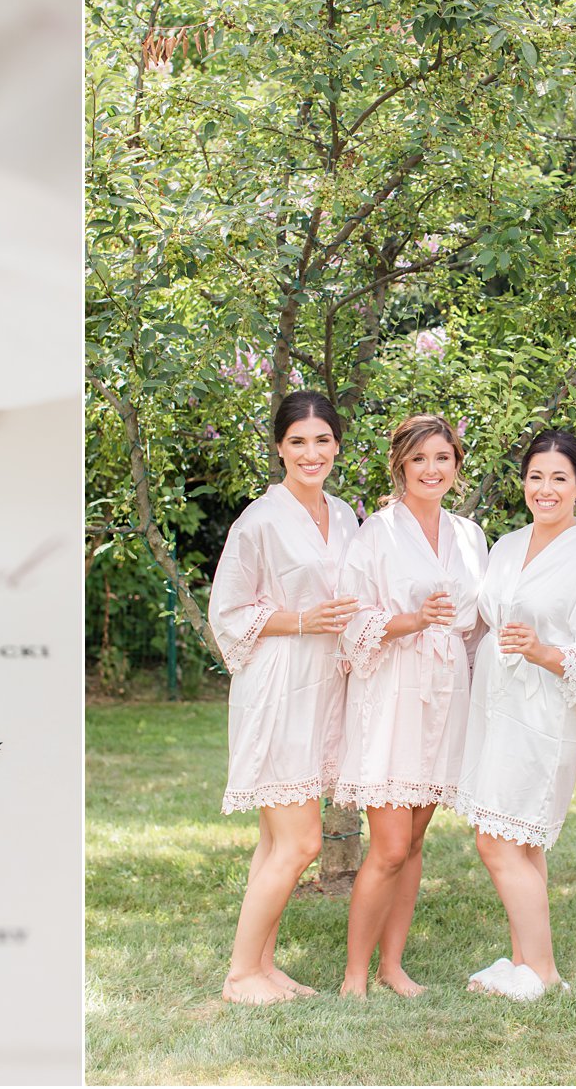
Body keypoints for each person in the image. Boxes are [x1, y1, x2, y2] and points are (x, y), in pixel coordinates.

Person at [454, 430, 576, 1002]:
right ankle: (524, 961)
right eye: (534, 477)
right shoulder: (506, 545)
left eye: (558, 478)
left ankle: (544, 972)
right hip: (495, 706)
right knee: (520, 842)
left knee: (496, 842)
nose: (544, 489)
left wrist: (542, 651)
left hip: (545, 716)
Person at [208, 391, 361, 1004]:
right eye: (298, 441)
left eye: (322, 440)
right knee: (300, 842)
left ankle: (264, 967)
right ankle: (240, 974)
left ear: (337, 446)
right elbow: (228, 610)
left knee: (274, 841)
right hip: (277, 686)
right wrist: (301, 620)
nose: (311, 452)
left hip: (322, 688)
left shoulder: (346, 515)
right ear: (279, 448)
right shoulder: (259, 522)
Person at [330, 414, 488, 997]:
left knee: (415, 843)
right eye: (419, 459)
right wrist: (413, 621)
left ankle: (392, 966)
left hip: (447, 698)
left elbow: (478, 625)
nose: (431, 469)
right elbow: (350, 622)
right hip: (393, 693)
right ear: (400, 465)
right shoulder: (375, 534)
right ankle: (354, 976)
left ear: (456, 464)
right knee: (390, 845)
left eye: (442, 458)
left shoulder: (471, 537)